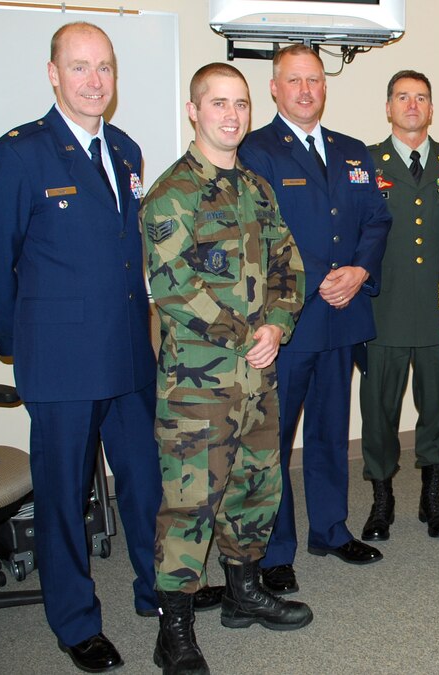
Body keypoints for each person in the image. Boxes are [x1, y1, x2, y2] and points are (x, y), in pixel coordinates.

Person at [0, 21, 162, 672]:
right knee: (63, 499)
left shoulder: (128, 148)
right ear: (53, 74)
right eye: (79, 67)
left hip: (130, 355)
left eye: (104, 67)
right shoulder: (19, 153)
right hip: (62, 364)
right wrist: (16, 346)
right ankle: (76, 621)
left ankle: (157, 588)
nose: (94, 80)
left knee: (145, 486)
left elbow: (125, 249)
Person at [142, 62, 310, 674]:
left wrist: (277, 325)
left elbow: (290, 266)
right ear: (194, 110)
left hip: (257, 378)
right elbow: (174, 289)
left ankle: (243, 590)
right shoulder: (171, 194)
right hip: (198, 386)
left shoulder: (256, 190)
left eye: (240, 104)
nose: (232, 115)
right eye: (219, 103)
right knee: (190, 505)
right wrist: (249, 334)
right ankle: (175, 631)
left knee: (256, 489)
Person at [238, 45, 392, 594]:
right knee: (274, 442)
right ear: (274, 89)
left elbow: (377, 218)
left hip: (344, 316)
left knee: (330, 432)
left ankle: (330, 528)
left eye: (315, 81)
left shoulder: (352, 152)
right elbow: (254, 239)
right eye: (294, 81)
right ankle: (275, 550)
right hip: (288, 322)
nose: (306, 90)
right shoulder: (256, 151)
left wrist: (358, 270)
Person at [359, 70, 439, 542]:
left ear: (431, 108)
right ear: (388, 108)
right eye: (402, 97)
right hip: (381, 314)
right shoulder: (363, 164)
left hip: (438, 316)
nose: (411, 104)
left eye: (421, 97)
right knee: (378, 415)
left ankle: (432, 501)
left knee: (436, 412)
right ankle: (382, 503)